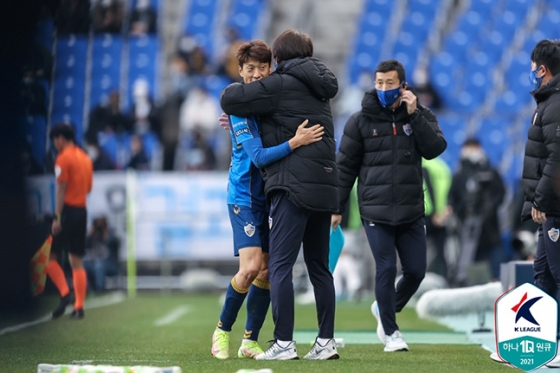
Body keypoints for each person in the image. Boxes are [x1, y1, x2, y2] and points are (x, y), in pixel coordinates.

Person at [221, 29, 340, 361]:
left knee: (280, 267)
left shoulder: (280, 83)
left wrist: (235, 113)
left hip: (292, 186)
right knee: (319, 268)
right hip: (325, 185)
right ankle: (325, 343)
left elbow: (231, 98)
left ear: (279, 58)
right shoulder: (321, 90)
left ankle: (284, 343)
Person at [332, 59, 447, 352]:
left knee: (416, 272)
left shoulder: (419, 115)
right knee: (385, 268)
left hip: (410, 209)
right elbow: (345, 167)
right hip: (375, 208)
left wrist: (415, 114)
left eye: (390, 84)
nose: (384, 89)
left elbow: (435, 149)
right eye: (379, 83)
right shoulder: (359, 121)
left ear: (403, 86)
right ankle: (391, 331)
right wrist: (337, 206)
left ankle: (384, 308)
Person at [522, 39, 560, 368]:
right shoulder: (547, 102)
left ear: (542, 69)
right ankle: (536, 343)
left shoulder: (556, 103)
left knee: (558, 274)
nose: (531, 73)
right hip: (549, 205)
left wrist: (541, 199)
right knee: (543, 275)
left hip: (555, 206)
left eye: (533, 68)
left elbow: (557, 158)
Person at [46, 124, 93, 319]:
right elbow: (89, 188)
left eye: (55, 140)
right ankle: (79, 307)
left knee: (50, 258)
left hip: (67, 211)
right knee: (76, 260)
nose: (55, 144)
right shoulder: (85, 158)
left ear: (60, 138)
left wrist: (57, 217)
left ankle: (65, 294)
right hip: (82, 211)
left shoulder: (63, 158)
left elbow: (61, 189)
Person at [447, 138, 505, 286]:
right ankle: (465, 284)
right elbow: (452, 198)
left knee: (493, 258)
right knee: (468, 258)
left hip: (489, 227)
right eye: (468, 147)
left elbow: (500, 193)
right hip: (467, 225)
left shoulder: (490, 172)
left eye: (474, 147)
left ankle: (497, 284)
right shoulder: (460, 175)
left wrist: (489, 208)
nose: (471, 151)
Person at [422, 157, 452, 281]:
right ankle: (444, 280)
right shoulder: (442, 165)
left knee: (418, 253)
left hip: (427, 215)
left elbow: (429, 189)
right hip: (441, 215)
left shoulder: (421, 164)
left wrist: (434, 213)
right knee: (441, 252)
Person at [83, 216, 120, 292]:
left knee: (99, 264)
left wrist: (105, 232)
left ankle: (99, 289)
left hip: (110, 265)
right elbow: (84, 244)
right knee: (83, 264)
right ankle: (88, 289)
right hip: (94, 265)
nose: (99, 227)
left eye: (101, 224)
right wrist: (91, 232)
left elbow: (115, 243)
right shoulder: (92, 237)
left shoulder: (111, 235)